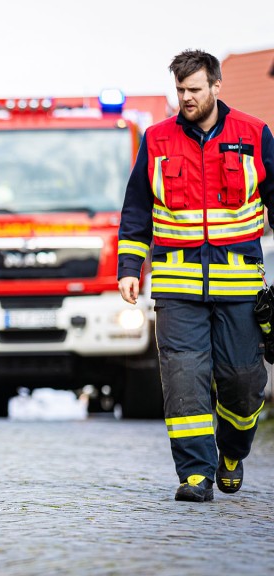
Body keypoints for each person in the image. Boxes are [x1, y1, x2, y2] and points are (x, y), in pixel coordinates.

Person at [118, 49, 274, 502]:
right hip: (176, 287)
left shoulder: (255, 134)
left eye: (194, 90)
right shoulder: (157, 140)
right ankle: (194, 475)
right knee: (184, 380)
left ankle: (231, 452)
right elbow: (136, 212)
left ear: (216, 87)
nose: (186, 98)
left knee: (244, 385)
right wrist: (130, 268)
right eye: (180, 90)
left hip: (240, 288)